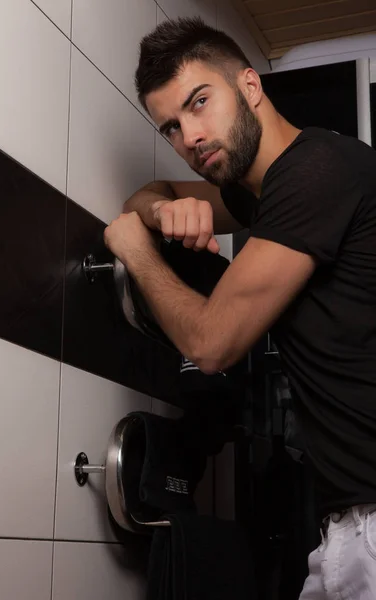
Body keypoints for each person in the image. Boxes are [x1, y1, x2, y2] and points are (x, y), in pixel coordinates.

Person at [103, 16, 376, 599]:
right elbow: (151, 192)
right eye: (172, 126)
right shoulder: (261, 194)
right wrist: (159, 213)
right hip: (351, 517)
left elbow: (211, 344)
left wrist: (135, 249)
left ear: (250, 86)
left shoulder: (315, 171)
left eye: (201, 102)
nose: (191, 136)